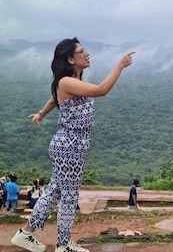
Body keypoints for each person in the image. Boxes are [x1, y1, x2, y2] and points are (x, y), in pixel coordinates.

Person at [11, 37, 135, 252]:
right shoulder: (66, 81)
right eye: (81, 51)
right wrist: (119, 66)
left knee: (54, 193)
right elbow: (102, 90)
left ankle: (26, 233)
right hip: (70, 143)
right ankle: (63, 245)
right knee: (69, 196)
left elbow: (53, 100)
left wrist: (41, 114)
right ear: (70, 59)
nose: (86, 54)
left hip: (72, 143)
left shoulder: (70, 81)